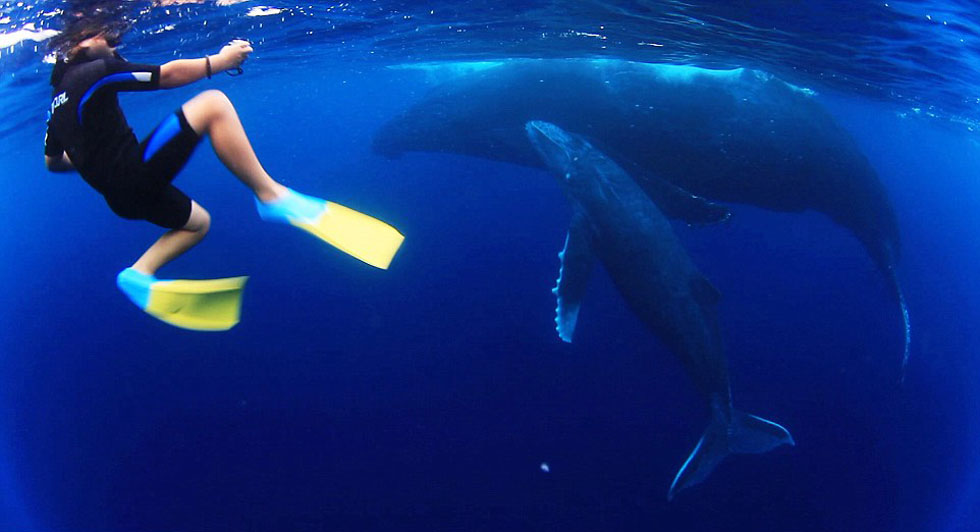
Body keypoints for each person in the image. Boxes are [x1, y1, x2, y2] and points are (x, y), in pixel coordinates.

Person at [44, 20, 403, 330]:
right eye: (108, 40)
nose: (114, 45)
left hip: (118, 198)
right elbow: (166, 75)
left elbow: (54, 161)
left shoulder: (57, 103)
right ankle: (270, 195)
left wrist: (93, 160)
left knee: (198, 223)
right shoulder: (95, 71)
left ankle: (138, 274)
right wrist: (221, 61)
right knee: (213, 104)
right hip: (133, 177)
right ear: (83, 41)